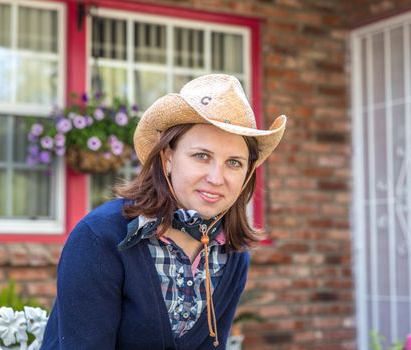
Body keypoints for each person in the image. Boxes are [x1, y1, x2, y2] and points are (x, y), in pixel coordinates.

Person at [41, 74, 286, 349]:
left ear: (247, 173)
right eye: (202, 156)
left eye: (234, 162)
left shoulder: (232, 255)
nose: (217, 178)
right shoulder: (100, 238)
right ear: (168, 157)